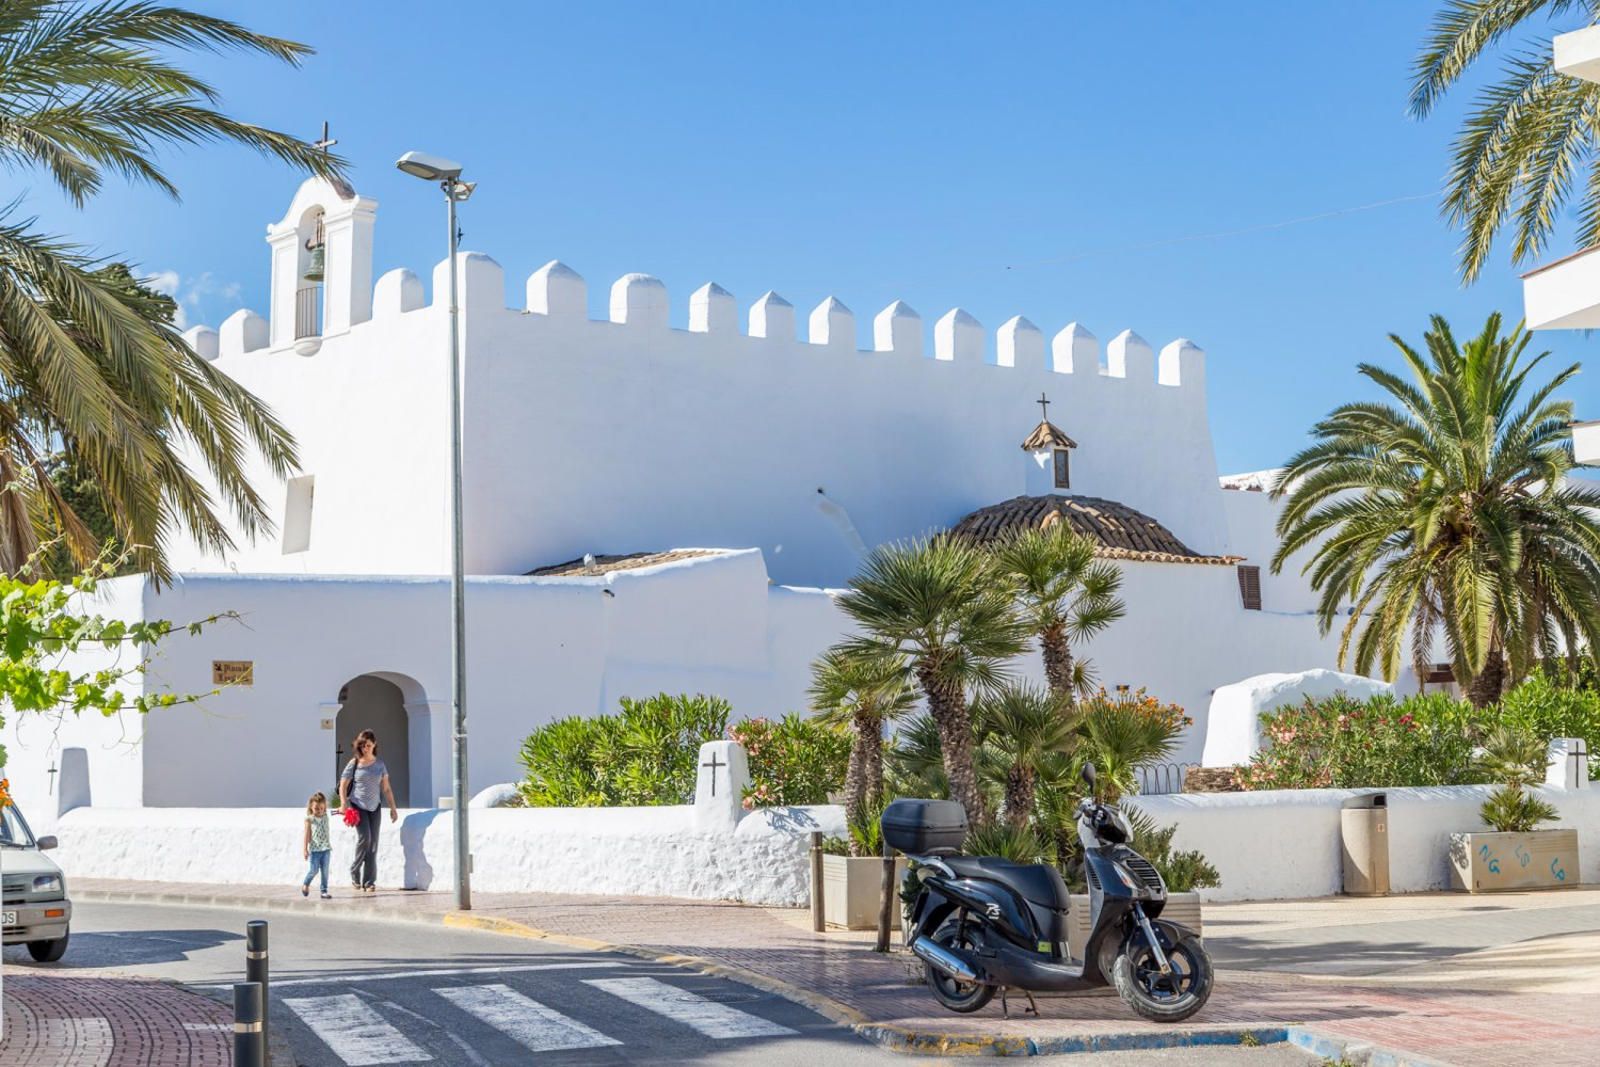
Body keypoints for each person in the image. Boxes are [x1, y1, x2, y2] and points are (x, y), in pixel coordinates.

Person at [339, 729, 399, 892]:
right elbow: (343, 784)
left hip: (375, 807)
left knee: (373, 844)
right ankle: (354, 869)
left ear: (374, 745)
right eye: (363, 746)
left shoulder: (380, 765)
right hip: (358, 805)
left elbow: (386, 789)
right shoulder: (355, 763)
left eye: (369, 745)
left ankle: (369, 881)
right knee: (364, 838)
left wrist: (393, 808)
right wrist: (344, 803)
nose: (366, 748)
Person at [301, 792, 332, 899]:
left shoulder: (326, 816)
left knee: (325, 871)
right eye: (316, 808)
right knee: (314, 870)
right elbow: (306, 835)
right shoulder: (309, 819)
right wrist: (305, 849)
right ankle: (306, 883)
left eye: (321, 808)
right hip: (315, 850)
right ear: (311, 807)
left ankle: (324, 891)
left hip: (326, 849)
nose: (319, 811)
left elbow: (337, 811)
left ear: (324, 807)